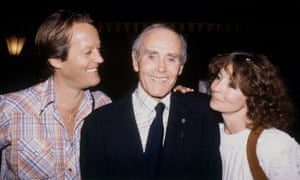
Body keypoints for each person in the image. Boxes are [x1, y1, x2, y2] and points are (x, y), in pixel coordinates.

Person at [80, 23, 222, 179]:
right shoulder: (98, 125)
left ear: (180, 67)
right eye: (152, 56)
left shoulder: (203, 115)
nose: (161, 68)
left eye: (171, 59)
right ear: (135, 60)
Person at [0, 9, 112, 179]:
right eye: (88, 52)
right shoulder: (11, 107)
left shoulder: (105, 105)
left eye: (98, 49)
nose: (100, 58)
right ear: (55, 59)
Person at [208, 51, 300, 179]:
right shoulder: (209, 133)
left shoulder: (273, 144)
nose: (215, 87)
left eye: (232, 85)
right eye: (218, 77)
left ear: (252, 96)